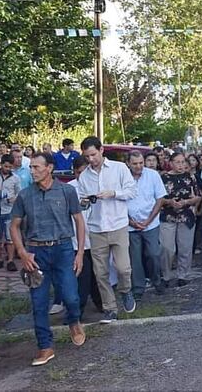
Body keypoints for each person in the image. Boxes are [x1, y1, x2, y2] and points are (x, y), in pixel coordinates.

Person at [9, 152, 86, 366]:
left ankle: (74, 320)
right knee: (39, 302)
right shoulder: (25, 195)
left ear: (49, 168)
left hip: (63, 249)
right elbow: (13, 226)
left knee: (71, 296)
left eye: (36, 167)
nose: (32, 170)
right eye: (31, 167)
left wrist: (79, 252)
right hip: (35, 253)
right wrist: (22, 253)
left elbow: (79, 220)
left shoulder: (67, 191)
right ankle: (45, 346)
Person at [76, 136, 137, 323]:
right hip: (96, 228)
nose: (91, 159)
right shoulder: (85, 176)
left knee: (123, 267)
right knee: (100, 272)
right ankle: (110, 308)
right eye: (87, 156)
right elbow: (81, 203)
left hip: (118, 224)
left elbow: (132, 191)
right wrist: (85, 201)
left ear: (101, 150)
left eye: (93, 154)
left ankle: (126, 291)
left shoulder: (119, 168)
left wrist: (114, 193)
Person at [126, 151, 167, 298]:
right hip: (131, 224)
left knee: (154, 254)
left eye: (141, 163)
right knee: (135, 258)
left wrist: (148, 220)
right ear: (128, 164)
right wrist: (131, 221)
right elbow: (119, 202)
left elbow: (160, 199)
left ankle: (157, 280)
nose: (139, 166)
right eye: (135, 164)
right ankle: (138, 288)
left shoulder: (153, 175)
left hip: (151, 223)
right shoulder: (122, 177)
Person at [67, 157, 102, 318]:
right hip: (77, 242)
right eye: (79, 172)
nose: (83, 175)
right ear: (74, 172)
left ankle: (101, 304)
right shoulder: (69, 189)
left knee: (98, 275)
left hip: (96, 237)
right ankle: (77, 312)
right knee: (82, 278)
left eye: (85, 171)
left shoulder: (98, 185)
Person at [160, 153, 200, 287]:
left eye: (183, 162)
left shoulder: (191, 177)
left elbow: (197, 196)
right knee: (167, 248)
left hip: (186, 215)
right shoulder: (164, 178)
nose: (181, 165)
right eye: (177, 162)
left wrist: (186, 202)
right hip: (168, 215)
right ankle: (165, 275)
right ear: (171, 163)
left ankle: (183, 274)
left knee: (185, 247)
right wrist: (169, 202)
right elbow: (158, 198)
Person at [0, 154, 20, 272]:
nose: (8, 169)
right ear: (1, 165)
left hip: (9, 210)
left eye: (10, 167)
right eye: (6, 166)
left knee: (10, 237)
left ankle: (10, 261)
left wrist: (13, 198)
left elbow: (19, 194)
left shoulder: (15, 178)